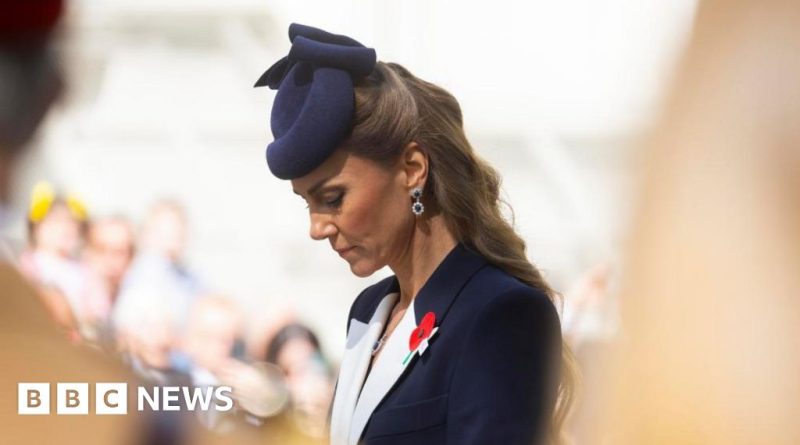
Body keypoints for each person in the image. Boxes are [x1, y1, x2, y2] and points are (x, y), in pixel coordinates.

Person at [254, 24, 574, 445]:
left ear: (412, 169)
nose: (317, 228)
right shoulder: (368, 310)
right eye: (307, 203)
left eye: (332, 198)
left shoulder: (500, 313)